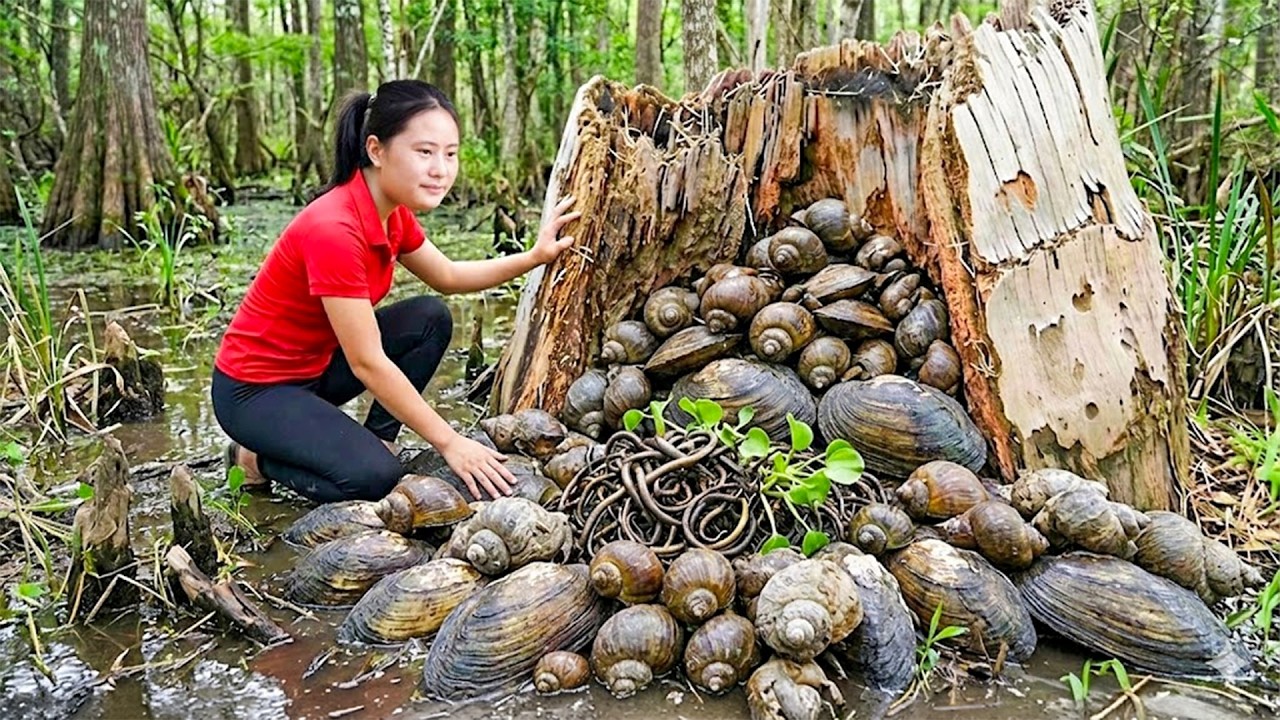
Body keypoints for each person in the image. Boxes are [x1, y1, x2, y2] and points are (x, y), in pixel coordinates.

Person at [211, 80, 579, 504]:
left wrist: (534, 256)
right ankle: (254, 457)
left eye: (450, 153)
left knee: (430, 318)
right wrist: (450, 441)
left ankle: (376, 440)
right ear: (376, 150)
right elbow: (367, 363)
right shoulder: (334, 228)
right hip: (255, 392)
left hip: (314, 371)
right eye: (424, 152)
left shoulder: (391, 213)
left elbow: (448, 276)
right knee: (375, 481)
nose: (441, 169)